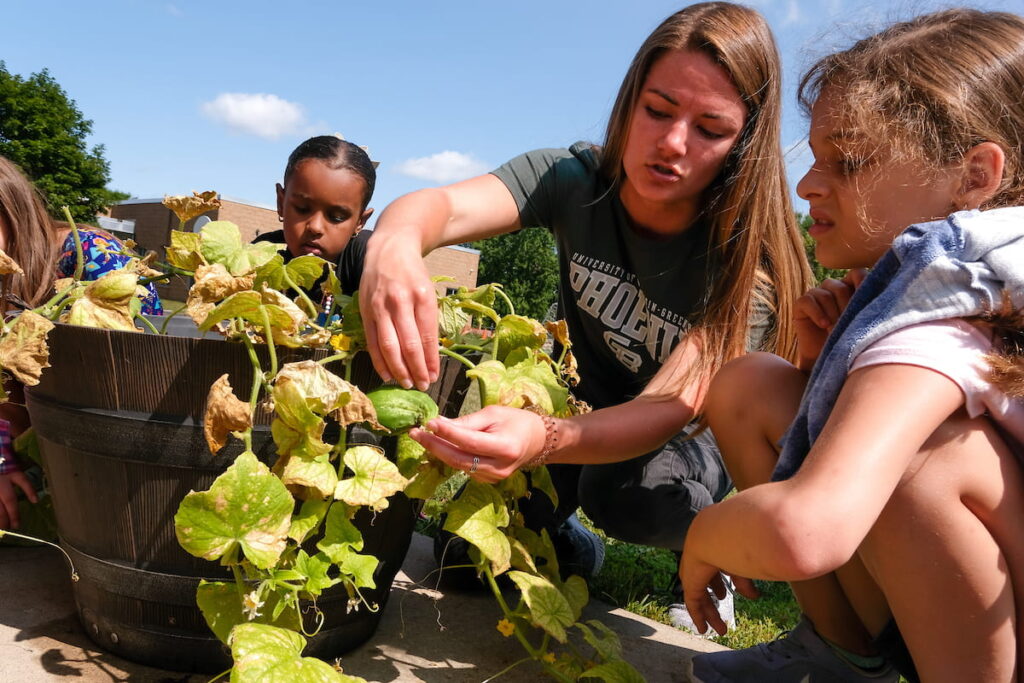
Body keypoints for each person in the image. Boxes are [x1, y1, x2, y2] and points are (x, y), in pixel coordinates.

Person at [358, 1, 812, 625]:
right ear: (629, 103)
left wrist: (543, 439)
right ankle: (573, 547)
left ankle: (710, 546)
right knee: (461, 562)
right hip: (582, 410)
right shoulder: (571, 179)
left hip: (682, 440)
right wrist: (395, 243)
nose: (672, 143)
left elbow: (666, 408)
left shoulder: (744, 267)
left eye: (710, 129)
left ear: (743, 145)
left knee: (623, 492)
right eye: (657, 110)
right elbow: (441, 206)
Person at [683, 8, 1024, 682]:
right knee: (753, 385)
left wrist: (703, 536)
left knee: (921, 465)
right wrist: (820, 367)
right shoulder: (972, 292)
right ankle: (842, 655)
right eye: (816, 159)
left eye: (852, 160)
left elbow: (807, 527)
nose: (809, 185)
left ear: (975, 177)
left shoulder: (932, 328)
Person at [0, 155, 160, 529]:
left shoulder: (90, 257)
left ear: (10, 207)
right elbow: (13, 404)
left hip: (121, 474)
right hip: (50, 458)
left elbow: (147, 371)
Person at [255, 135, 377, 305]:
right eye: (302, 209)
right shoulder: (262, 255)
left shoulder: (367, 256)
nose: (315, 227)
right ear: (281, 203)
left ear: (360, 222)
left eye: (337, 217)